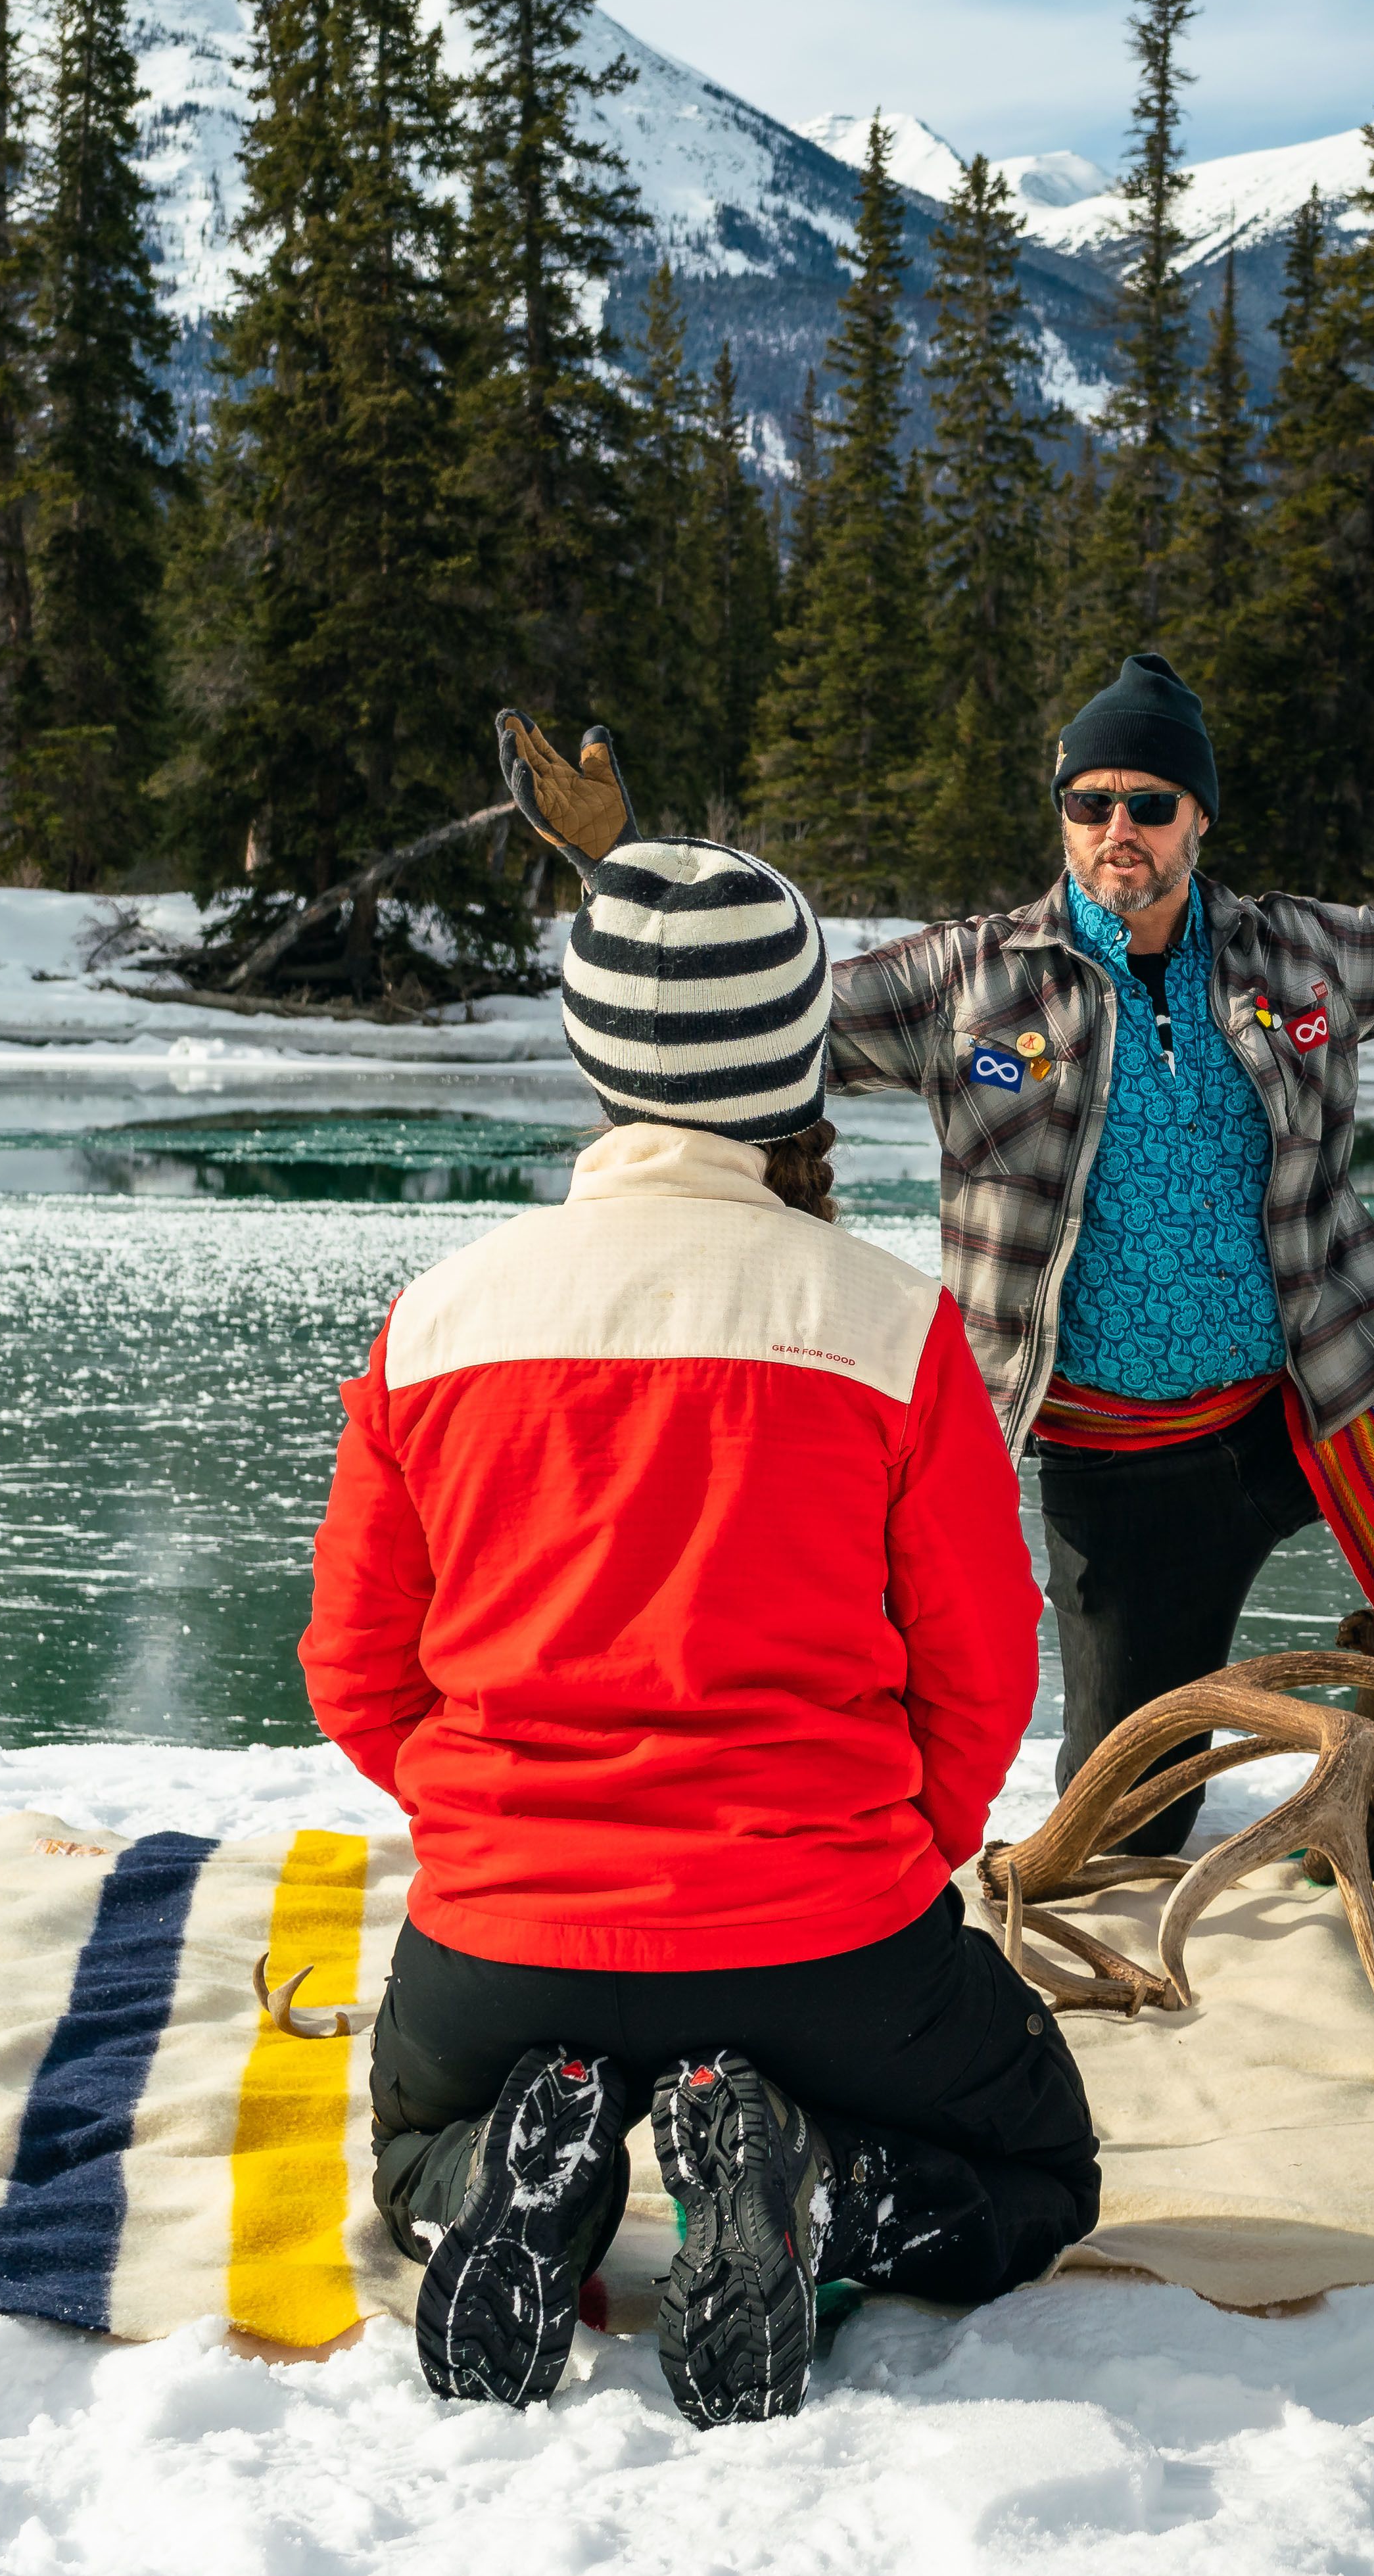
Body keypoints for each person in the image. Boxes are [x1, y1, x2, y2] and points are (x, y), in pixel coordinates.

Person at [303, 830, 1099, 2429]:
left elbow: (356, 1668)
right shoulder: (888, 1324)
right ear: (798, 1054)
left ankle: (517, 2174)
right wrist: (885, 1846)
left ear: (592, 1050)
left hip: (506, 1946)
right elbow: (984, 1663)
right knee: (1035, 2168)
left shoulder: (440, 1319)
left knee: (402, 2161)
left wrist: (493, 1825)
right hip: (824, 1940)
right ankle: (815, 2187)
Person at [827, 651, 1374, 1832]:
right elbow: (765, 1027)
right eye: (1090, 803)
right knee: (1129, 1826)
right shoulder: (967, 982)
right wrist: (620, 880)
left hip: (1313, 1395)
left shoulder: (1296, 956)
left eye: (1149, 804)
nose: (1117, 829)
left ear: (1199, 818)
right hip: (1123, 1463)